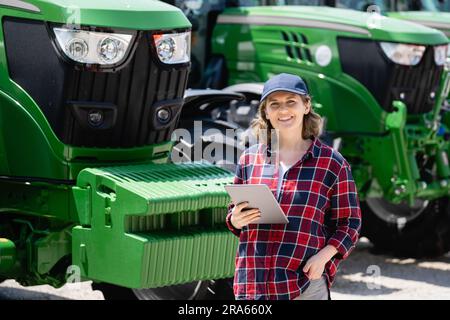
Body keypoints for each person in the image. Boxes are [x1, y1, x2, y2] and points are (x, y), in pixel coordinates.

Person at [225, 73, 362, 300]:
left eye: (291, 102)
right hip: (254, 284)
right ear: (266, 112)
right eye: (274, 104)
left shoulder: (331, 163)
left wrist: (323, 259)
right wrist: (235, 220)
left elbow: (350, 224)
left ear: (306, 106)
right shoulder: (250, 159)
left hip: (304, 284)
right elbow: (233, 215)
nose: (283, 110)